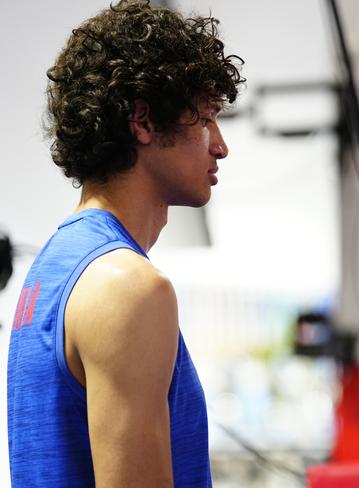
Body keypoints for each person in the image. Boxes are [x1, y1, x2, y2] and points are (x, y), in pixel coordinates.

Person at [7, 1, 243, 486]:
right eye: (205, 119)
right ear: (143, 120)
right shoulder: (127, 286)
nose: (220, 145)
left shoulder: (53, 270)